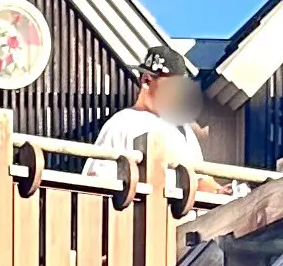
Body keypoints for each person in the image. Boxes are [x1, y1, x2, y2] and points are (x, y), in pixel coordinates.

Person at [86, 47, 209, 180]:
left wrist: (222, 191)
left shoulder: (182, 128)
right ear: (146, 81)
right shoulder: (121, 124)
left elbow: (201, 180)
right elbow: (98, 179)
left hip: (181, 200)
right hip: (138, 200)